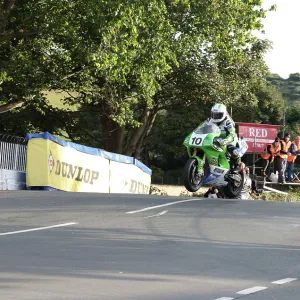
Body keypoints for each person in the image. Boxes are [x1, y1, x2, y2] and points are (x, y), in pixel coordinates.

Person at [209, 103, 241, 172]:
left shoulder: (228, 122)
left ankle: (237, 165)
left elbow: (232, 134)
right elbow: (205, 129)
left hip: (229, 139)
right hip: (216, 139)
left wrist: (226, 140)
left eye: (218, 115)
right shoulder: (211, 121)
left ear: (223, 114)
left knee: (233, 150)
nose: (215, 117)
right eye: (214, 114)